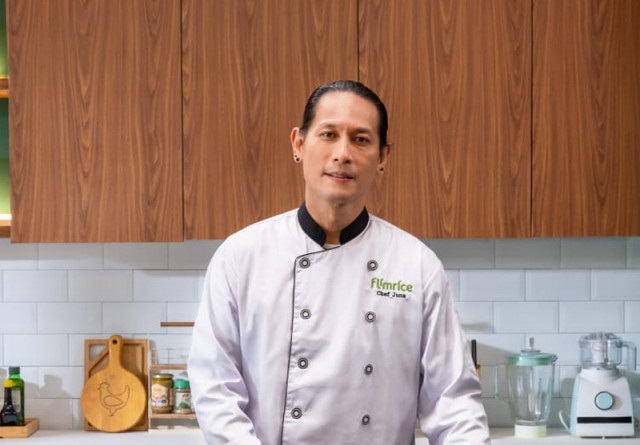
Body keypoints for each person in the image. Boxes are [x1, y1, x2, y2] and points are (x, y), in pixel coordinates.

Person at [188, 80, 490, 444]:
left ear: (383, 157)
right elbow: (216, 388)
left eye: (361, 139)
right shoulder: (241, 256)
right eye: (328, 134)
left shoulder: (417, 265)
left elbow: (453, 402)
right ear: (299, 144)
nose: (342, 154)